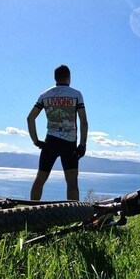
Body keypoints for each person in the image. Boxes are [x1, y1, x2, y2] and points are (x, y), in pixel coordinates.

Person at [27, 65, 88, 201]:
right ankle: (73, 215)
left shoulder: (45, 95)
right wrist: (83, 145)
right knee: (72, 182)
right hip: (69, 143)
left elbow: (30, 118)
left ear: (55, 78)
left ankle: (31, 213)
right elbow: (83, 121)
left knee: (40, 178)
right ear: (69, 77)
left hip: (51, 141)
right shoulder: (76, 94)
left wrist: (36, 141)